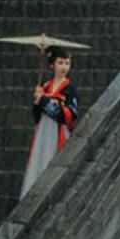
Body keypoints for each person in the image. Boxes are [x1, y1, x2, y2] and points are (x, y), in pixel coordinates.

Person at [20, 46, 79, 198]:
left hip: (58, 133)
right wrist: (36, 101)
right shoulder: (44, 87)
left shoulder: (69, 90)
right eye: (60, 63)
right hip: (43, 133)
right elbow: (36, 117)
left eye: (67, 63)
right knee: (39, 163)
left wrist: (44, 100)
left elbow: (68, 117)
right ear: (52, 65)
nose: (64, 67)